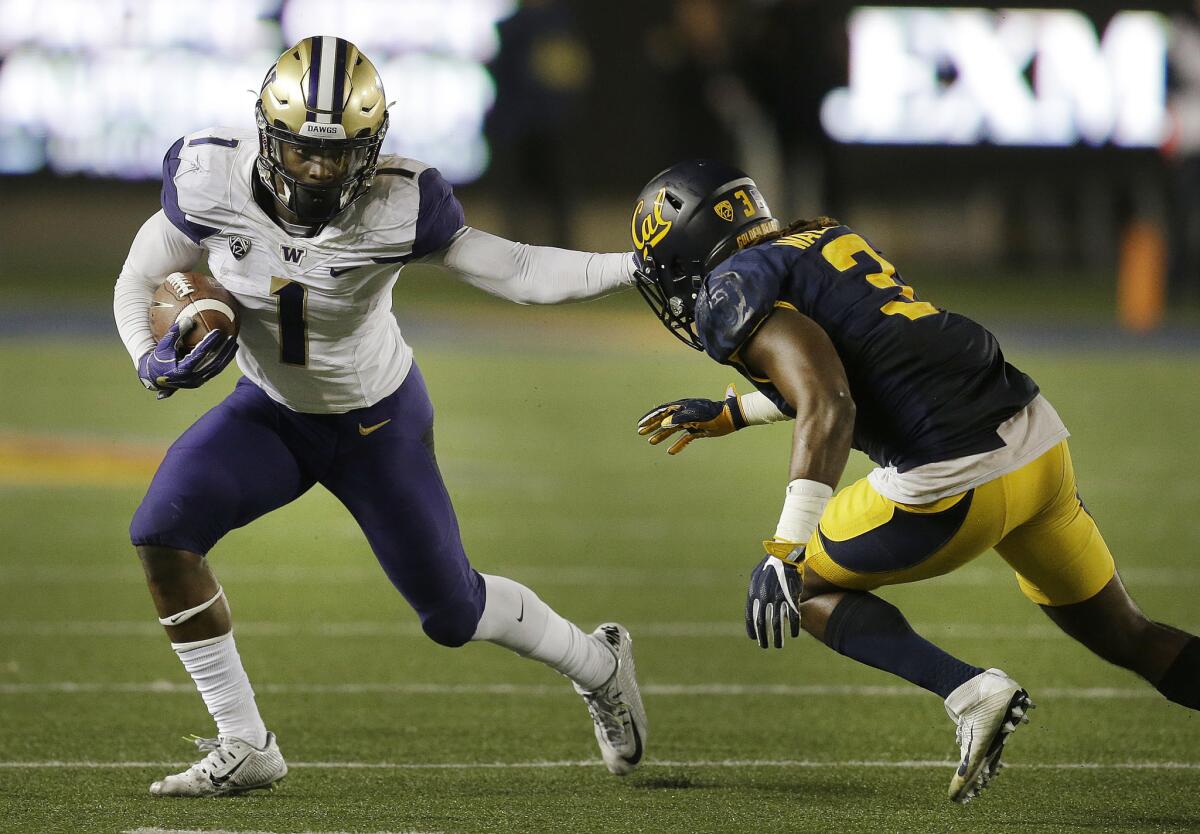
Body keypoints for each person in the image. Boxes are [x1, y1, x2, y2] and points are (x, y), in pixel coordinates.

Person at [113, 36, 647, 798]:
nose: (324, 171)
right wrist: (147, 356)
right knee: (162, 533)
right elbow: (140, 274)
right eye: (304, 152)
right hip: (268, 412)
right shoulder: (207, 175)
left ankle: (598, 662)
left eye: (342, 154)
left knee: (452, 612)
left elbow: (519, 268)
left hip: (374, 424)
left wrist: (632, 265)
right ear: (268, 137)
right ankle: (245, 740)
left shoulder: (403, 199)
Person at [628, 160, 1200, 804]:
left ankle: (969, 692)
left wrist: (786, 546)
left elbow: (830, 400)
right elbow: (874, 356)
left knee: (801, 586)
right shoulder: (821, 237)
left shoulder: (732, 287)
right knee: (1132, 636)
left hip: (953, 478)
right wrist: (738, 410)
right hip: (1037, 445)